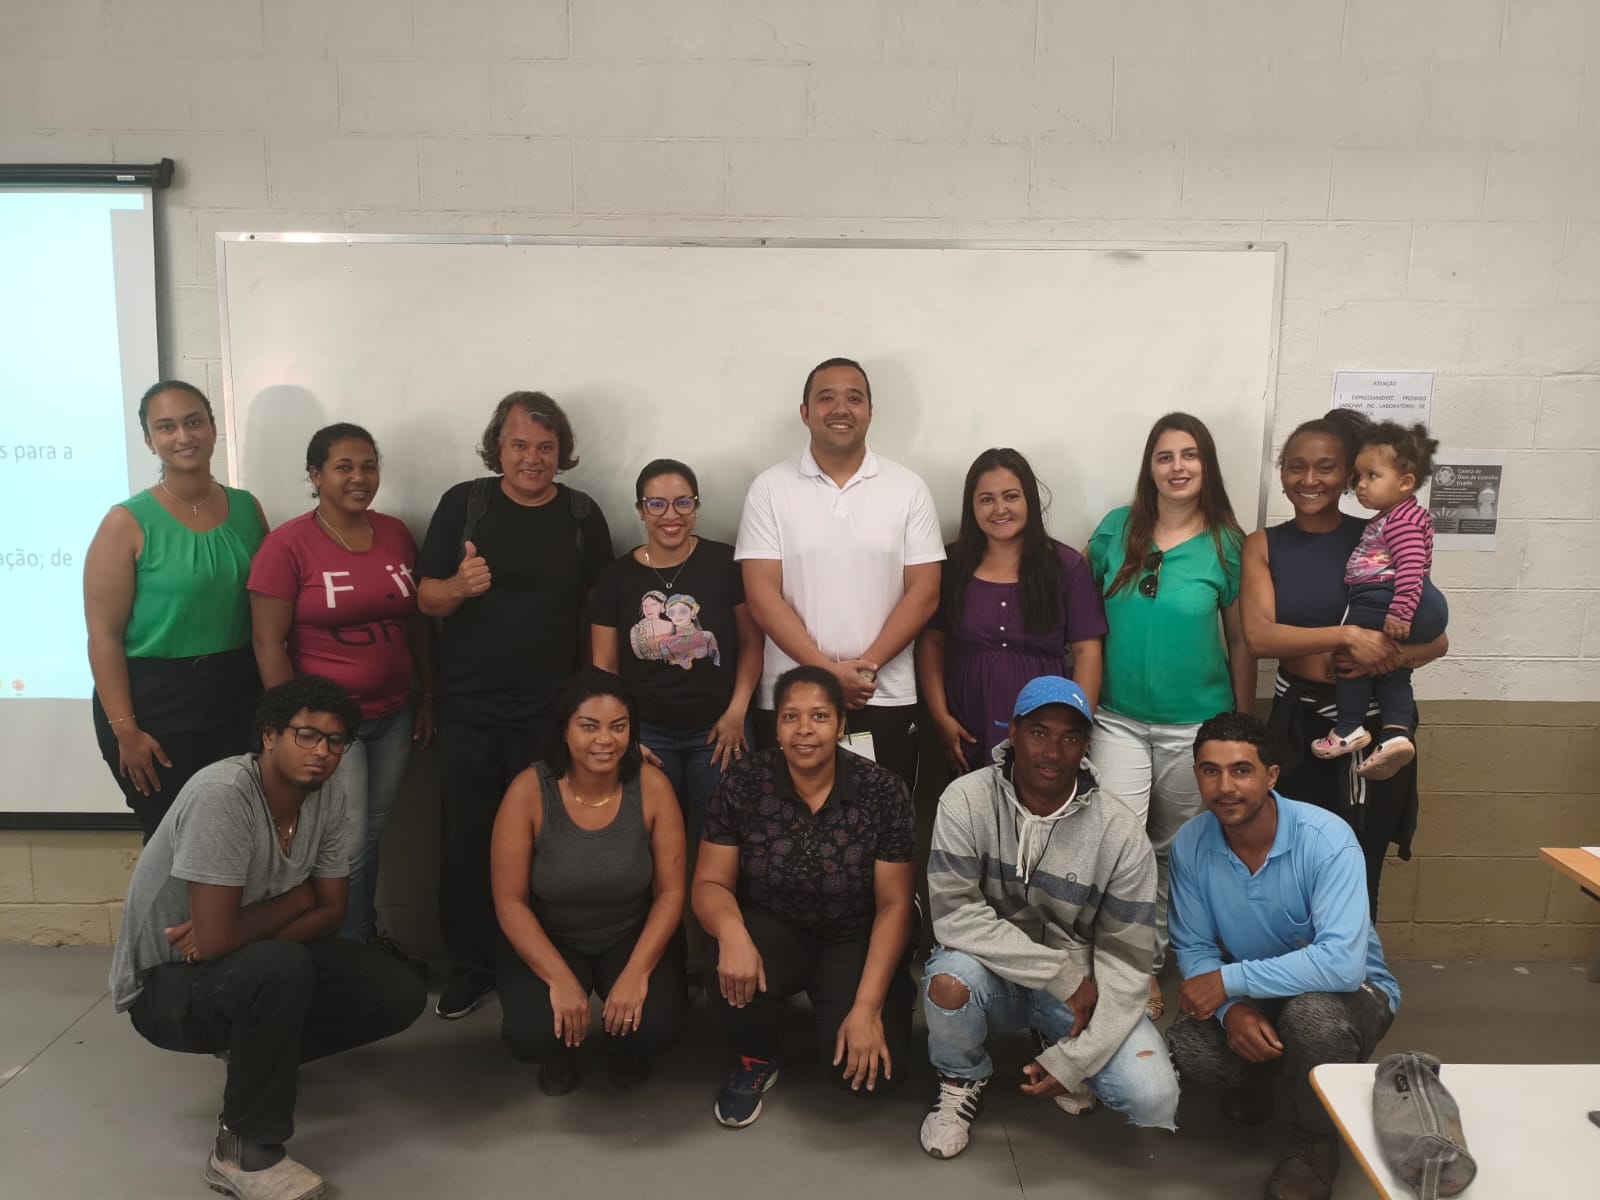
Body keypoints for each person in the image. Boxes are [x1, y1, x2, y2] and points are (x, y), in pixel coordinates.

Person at [108, 675, 426, 1200]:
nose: (322, 752)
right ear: (270, 736)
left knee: (395, 989)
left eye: (336, 741)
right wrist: (299, 900)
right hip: (166, 984)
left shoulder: (326, 797)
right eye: (307, 735)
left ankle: (254, 1053)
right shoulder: (224, 794)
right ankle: (242, 1151)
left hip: (237, 961)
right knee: (280, 965)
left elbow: (331, 912)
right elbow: (213, 943)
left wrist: (287, 909)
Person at [918, 676, 1178, 1160]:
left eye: (1070, 737)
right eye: (1039, 732)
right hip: (994, 970)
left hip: (1081, 986)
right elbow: (954, 915)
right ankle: (961, 1080)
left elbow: (1128, 963)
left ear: (1086, 745)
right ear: (1013, 732)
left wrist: (1076, 1060)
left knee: (1154, 1096)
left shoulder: (1120, 832)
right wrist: (1059, 975)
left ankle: (1057, 1040)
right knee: (948, 981)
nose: (1053, 751)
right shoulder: (965, 799)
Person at [417, 391, 613, 1019]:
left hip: (551, 716)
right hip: (470, 710)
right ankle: (474, 967)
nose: (532, 458)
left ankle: (538, 964)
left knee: (548, 844)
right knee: (467, 842)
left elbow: (601, 615)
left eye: (546, 447)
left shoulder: (582, 515)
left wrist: (594, 706)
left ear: (562, 452)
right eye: (520, 444)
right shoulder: (464, 505)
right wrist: (458, 585)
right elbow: (425, 598)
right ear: (497, 447)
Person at [1167, 712, 1399, 1200]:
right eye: (1210, 771)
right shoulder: (1191, 843)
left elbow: (1342, 965)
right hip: (1261, 993)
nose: (1225, 787)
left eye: (1241, 770)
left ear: (1271, 776)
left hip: (1351, 993)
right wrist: (1232, 1011)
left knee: (1312, 1019)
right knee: (1190, 1043)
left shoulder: (1327, 839)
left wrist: (1228, 984)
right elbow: (1194, 947)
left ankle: (1317, 1142)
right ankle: (1266, 1073)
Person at [1238, 409, 1449, 917]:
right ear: (1282, 474)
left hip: (1375, 730)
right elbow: (1259, 636)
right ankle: (1298, 964)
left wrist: (1383, 660)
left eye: (1327, 467)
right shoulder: (1263, 545)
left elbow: (1436, 640)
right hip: (1300, 725)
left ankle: (1356, 962)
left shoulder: (1378, 534)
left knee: (1361, 862)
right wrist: (1348, 636)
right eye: (1296, 466)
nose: (1309, 479)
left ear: (1349, 476)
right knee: (1294, 859)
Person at [693, 665, 916, 1128]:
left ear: (840, 725)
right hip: (772, 929)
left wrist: (867, 1007)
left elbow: (895, 905)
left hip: (853, 934)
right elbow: (709, 883)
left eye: (819, 716)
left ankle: (885, 994)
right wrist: (732, 935)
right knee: (722, 950)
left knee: (869, 1077)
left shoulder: (882, 790)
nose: (804, 729)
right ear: (776, 727)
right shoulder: (744, 782)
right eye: (791, 717)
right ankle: (756, 1054)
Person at [1087, 412, 1255, 1019]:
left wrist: (1240, 727)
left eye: (1190, 455)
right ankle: (1119, 964)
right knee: (1118, 844)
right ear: (1150, 467)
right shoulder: (1116, 530)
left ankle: (1148, 966)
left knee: (1173, 851)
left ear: (1206, 466)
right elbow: (1081, 621)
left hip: (1197, 727)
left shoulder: (1228, 544)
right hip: (1116, 719)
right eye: (1165, 456)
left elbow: (1241, 641)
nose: (1177, 467)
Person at [248, 423, 436, 966]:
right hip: (329, 730)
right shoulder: (286, 545)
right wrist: (299, 730)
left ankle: (360, 939)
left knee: (370, 834)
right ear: (315, 475)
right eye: (344, 467)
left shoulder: (396, 533)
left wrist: (429, 694)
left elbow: (417, 622)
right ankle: (347, 957)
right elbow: (267, 643)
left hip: (394, 713)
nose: (360, 478)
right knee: (346, 843)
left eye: (368, 466)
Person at [735, 357, 944, 788]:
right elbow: (761, 596)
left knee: (883, 822)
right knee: (790, 822)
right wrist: (825, 674)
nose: (840, 409)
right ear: (805, 412)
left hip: (884, 694)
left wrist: (863, 672)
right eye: (826, 398)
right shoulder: (769, 489)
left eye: (854, 398)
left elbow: (924, 593)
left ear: (870, 410)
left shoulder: (907, 488)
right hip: (791, 696)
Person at [83, 380, 269, 840]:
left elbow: (267, 612)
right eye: (166, 427)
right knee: (174, 843)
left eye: (193, 422)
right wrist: (126, 731)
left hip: (238, 695)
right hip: (155, 704)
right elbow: (103, 636)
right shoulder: (126, 522)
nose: (183, 436)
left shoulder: (248, 508)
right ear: (150, 441)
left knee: (235, 839)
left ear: (213, 427)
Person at [491, 669, 687, 1095]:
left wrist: (637, 972)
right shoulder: (529, 790)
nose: (605, 740)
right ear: (564, 731)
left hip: (629, 933)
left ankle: (624, 1044)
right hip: (553, 935)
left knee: (657, 1027)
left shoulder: (652, 786)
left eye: (618, 727)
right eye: (589, 726)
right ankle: (560, 1050)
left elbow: (671, 893)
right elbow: (510, 903)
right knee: (532, 1033)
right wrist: (559, 980)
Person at [590, 458, 763, 843]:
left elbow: (752, 643)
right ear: (640, 510)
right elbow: (605, 666)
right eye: (657, 504)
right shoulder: (616, 578)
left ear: (696, 507)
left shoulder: (725, 563)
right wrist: (623, 733)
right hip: (647, 733)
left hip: (720, 728)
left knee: (721, 839)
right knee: (652, 840)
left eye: (683, 503)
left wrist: (738, 712)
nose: (671, 515)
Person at [918, 447, 1107, 775]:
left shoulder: (1065, 566)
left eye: (1011, 497)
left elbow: (1087, 651)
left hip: (1047, 724)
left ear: (1029, 500)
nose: (1000, 509)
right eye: (986, 499)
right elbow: (931, 643)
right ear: (971, 506)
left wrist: (1076, 727)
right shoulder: (951, 565)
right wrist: (940, 717)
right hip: (964, 724)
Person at [1310, 422, 1448, 777]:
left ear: (1405, 482)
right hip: (1406, 602)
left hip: (1387, 599)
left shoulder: (1400, 520)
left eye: (1372, 475)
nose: (1361, 485)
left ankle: (1349, 727)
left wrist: (1400, 611)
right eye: (1359, 476)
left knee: (1350, 653)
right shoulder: (1393, 517)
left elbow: (1412, 567)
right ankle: (1396, 734)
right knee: (1395, 673)